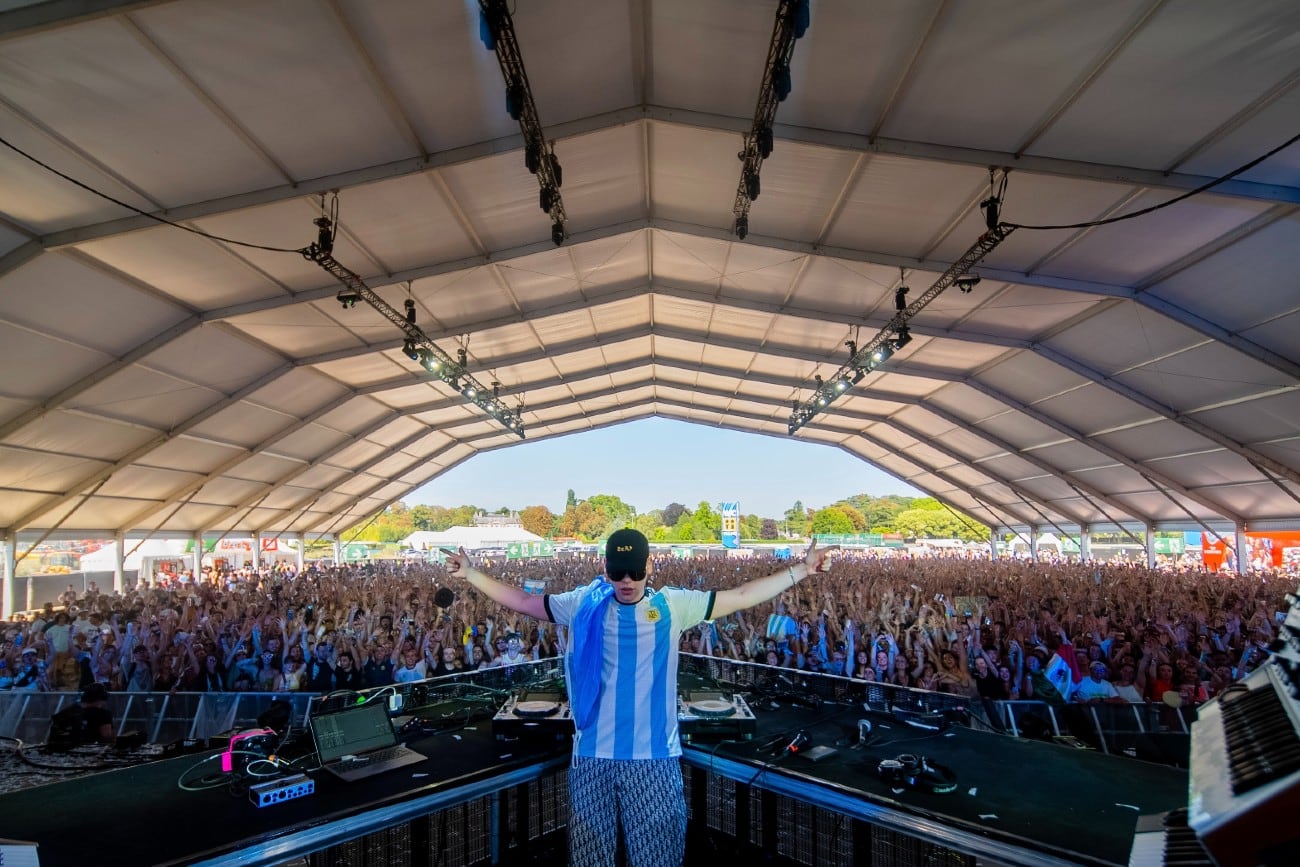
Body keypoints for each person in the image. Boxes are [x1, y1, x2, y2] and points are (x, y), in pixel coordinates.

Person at [442, 529, 836, 867]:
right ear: (605, 571)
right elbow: (527, 603)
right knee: (590, 860)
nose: (626, 580)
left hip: (653, 760)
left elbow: (742, 594)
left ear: (650, 568)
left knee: (657, 859)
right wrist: (472, 574)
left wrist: (801, 569)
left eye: (634, 571)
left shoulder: (672, 606)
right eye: (617, 572)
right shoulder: (585, 603)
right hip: (592, 756)